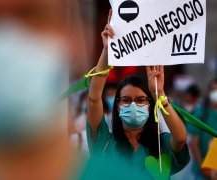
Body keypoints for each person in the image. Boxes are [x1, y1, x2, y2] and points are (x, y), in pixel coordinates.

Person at [86, 10, 190, 178]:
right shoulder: (103, 142)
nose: (133, 104)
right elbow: (93, 98)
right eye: (126, 100)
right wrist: (107, 50)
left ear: (150, 105)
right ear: (117, 105)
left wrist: (160, 94)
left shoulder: (161, 144)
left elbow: (181, 139)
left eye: (141, 99)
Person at [189, 79, 217, 179]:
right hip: (201, 172)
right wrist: (203, 167)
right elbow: (194, 143)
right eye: (214, 89)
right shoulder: (201, 113)